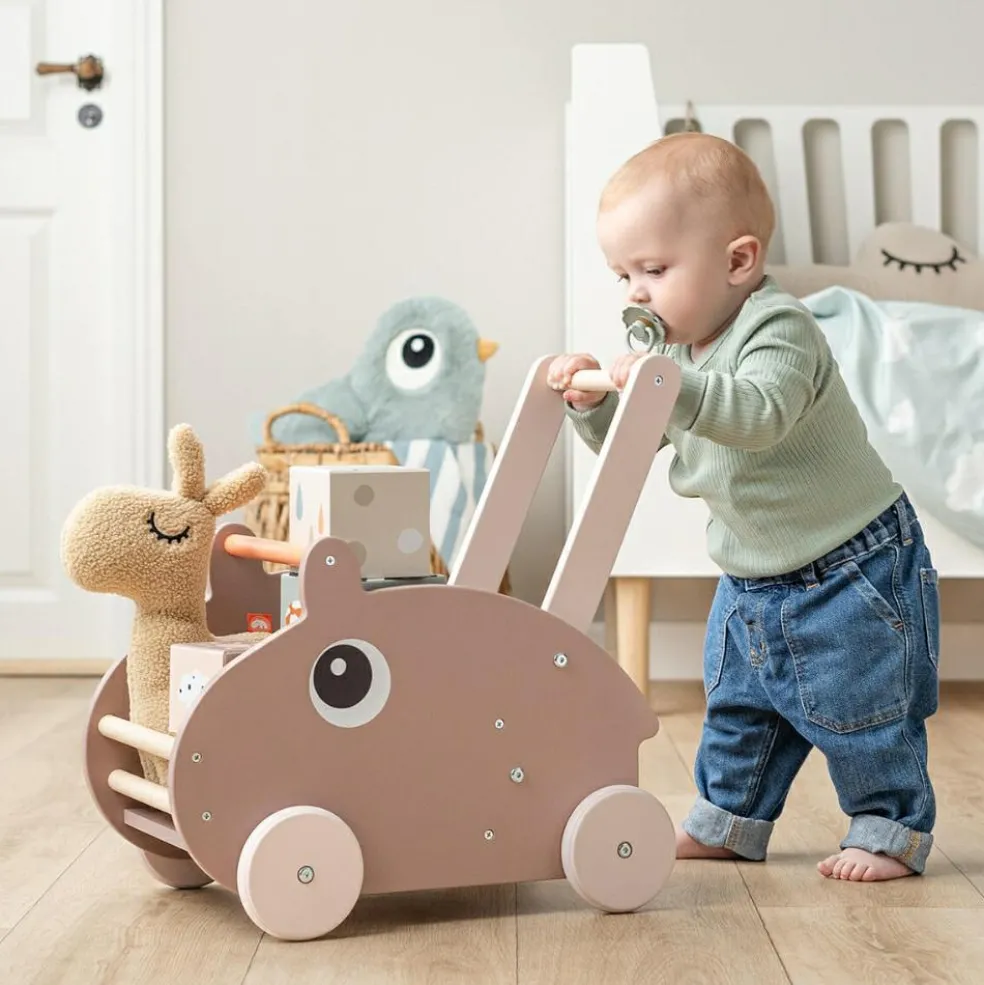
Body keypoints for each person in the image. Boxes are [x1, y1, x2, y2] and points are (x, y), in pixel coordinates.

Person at [549, 132, 940, 882]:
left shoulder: (779, 327)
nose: (635, 293)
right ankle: (729, 819)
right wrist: (588, 404)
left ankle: (890, 827)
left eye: (654, 270)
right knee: (739, 705)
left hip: (852, 565)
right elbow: (633, 438)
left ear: (738, 261)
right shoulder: (678, 354)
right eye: (623, 275)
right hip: (751, 575)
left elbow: (759, 412)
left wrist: (668, 383)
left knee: (863, 708)